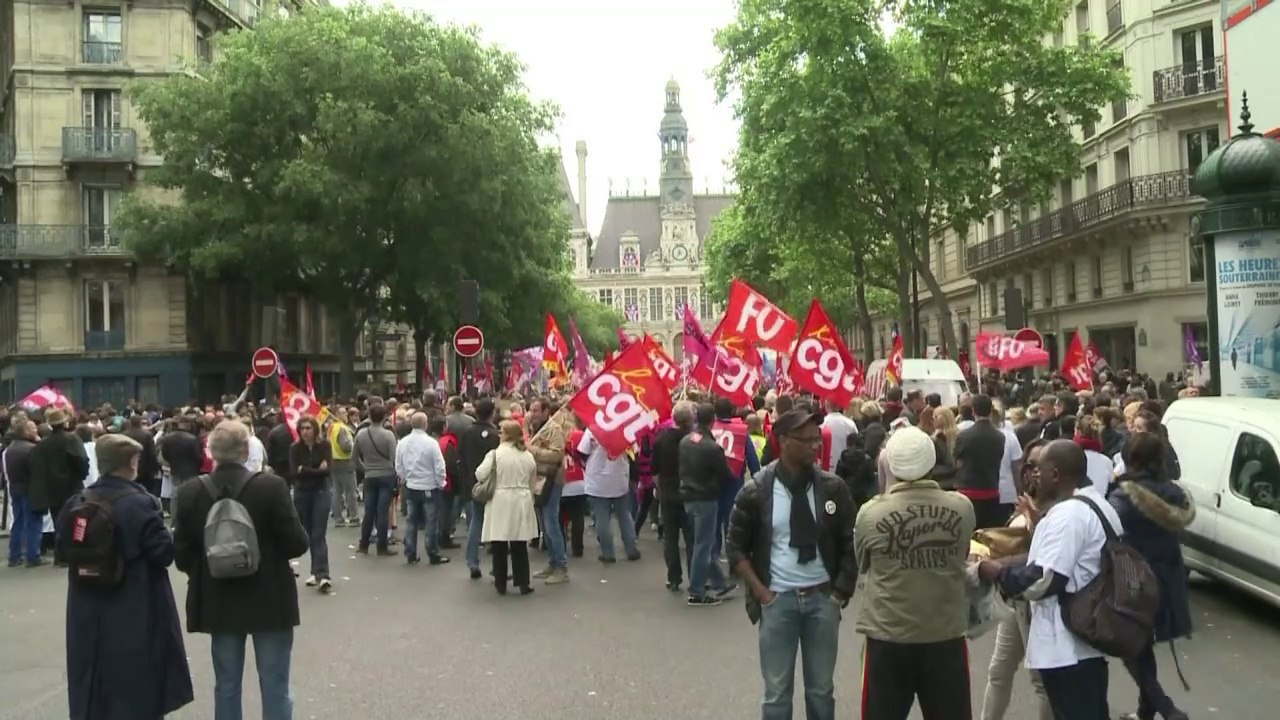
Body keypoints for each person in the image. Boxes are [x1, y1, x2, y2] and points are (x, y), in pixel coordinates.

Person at [978, 440, 1124, 720]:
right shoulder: (1097, 505)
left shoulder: (1068, 516)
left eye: (1039, 470)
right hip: (1087, 642)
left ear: (1055, 475)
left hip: (1067, 647)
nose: (1035, 476)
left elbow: (1043, 579)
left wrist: (997, 572)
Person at [726, 409, 858, 720]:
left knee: (821, 690)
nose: (816, 445)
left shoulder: (833, 488)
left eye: (818, 439)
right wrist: (763, 594)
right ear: (784, 442)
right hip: (778, 602)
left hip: (822, 601)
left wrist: (839, 593)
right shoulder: (757, 490)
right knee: (776, 694)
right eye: (808, 440)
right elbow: (735, 547)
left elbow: (851, 543)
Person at [174, 420, 309, 720]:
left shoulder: (190, 492)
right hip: (269, 594)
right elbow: (297, 543)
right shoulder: (271, 487)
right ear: (246, 449)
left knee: (227, 683)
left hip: (217, 596)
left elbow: (182, 553)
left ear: (211, 451)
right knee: (275, 682)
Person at [58, 434, 194, 719]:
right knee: (138, 682)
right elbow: (163, 554)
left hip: (86, 603)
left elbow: (63, 549)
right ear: (132, 463)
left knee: (95, 678)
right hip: (135, 601)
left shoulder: (76, 502)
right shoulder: (141, 503)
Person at [856, 426, 976, 719]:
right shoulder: (961, 508)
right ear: (932, 463)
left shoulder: (871, 513)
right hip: (944, 634)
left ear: (890, 464)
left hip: (888, 636)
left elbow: (864, 564)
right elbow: (961, 555)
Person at [1108, 433, 1193, 720]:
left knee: (1131, 648)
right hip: (1169, 578)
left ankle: (1167, 709)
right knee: (1142, 648)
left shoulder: (1123, 497)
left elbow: (1108, 535)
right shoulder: (1174, 495)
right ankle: (1146, 713)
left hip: (1134, 581)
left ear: (1129, 460)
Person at [680, 403, 740, 607]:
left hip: (689, 495)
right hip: (705, 498)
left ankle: (719, 583)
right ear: (712, 420)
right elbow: (725, 475)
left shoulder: (686, 441)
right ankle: (696, 591)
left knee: (700, 543)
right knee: (703, 546)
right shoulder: (712, 447)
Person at [477, 420, 540, 596]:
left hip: (500, 498)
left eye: (501, 431)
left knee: (499, 542)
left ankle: (500, 582)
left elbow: (480, 474)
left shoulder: (495, 454)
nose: (499, 434)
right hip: (521, 498)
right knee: (519, 543)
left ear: (507, 435)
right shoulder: (527, 455)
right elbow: (532, 479)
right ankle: (523, 582)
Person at [395, 412, 450, 566]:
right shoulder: (431, 443)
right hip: (429, 486)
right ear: (425, 424)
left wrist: (405, 479)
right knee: (431, 521)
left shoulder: (403, 443)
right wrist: (441, 482)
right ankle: (432, 553)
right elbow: (439, 466)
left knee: (411, 521)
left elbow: (399, 465)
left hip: (411, 486)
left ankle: (410, 553)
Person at [289, 415, 333, 592]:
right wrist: (315, 470)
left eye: (309, 428)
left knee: (318, 533)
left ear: (315, 429)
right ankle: (315, 571)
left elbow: (328, 470)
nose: (306, 432)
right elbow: (294, 472)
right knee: (308, 533)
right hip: (302, 493)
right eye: (303, 429)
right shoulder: (295, 448)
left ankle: (323, 574)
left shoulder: (324, 446)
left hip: (321, 492)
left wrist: (306, 470)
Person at [461, 399, 501, 578]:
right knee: (496, 524)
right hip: (493, 484)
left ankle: (472, 561)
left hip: (474, 482)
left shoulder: (467, 432)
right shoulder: (495, 434)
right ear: (492, 413)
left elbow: (461, 456)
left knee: (476, 522)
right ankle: (497, 565)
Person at [355, 404, 399, 556]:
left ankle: (364, 544)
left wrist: (365, 468)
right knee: (382, 511)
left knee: (369, 511)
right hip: (386, 475)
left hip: (369, 475)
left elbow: (354, 457)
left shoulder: (361, 434)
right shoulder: (388, 435)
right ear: (384, 417)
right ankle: (382, 545)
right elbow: (394, 459)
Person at [5, 418, 42, 567]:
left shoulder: (10, 449)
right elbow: (37, 471)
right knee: (32, 523)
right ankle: (33, 556)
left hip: (15, 488)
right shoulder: (31, 449)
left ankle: (14, 555)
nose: (36, 430)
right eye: (32, 429)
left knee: (18, 521)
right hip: (29, 489)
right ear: (25, 432)